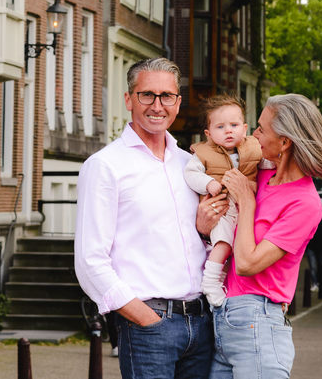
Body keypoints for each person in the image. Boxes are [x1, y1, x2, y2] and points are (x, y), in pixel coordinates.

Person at [74, 57, 225, 379]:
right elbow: (90, 261)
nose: (157, 105)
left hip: (201, 322)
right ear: (129, 99)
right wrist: (142, 316)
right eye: (147, 95)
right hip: (149, 326)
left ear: (178, 102)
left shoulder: (190, 165)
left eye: (166, 96)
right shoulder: (106, 166)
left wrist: (204, 232)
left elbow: (203, 242)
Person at [208, 94, 322, 379]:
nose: (253, 134)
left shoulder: (304, 203)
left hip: (258, 321)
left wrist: (246, 199)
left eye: (261, 128)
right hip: (224, 319)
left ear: (284, 142)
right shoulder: (261, 177)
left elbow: (246, 263)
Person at [183, 94, 273, 306]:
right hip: (221, 205)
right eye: (220, 127)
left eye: (234, 125)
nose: (228, 131)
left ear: (244, 127)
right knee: (224, 244)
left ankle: (221, 280)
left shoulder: (253, 147)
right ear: (208, 133)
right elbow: (190, 174)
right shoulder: (203, 152)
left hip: (244, 207)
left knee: (239, 246)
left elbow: (266, 163)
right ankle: (211, 281)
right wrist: (207, 183)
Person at [305, 209, 322, 293]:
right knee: (312, 267)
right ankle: (314, 283)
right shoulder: (309, 222)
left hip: (320, 249)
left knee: (320, 266)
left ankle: (320, 282)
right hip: (311, 248)